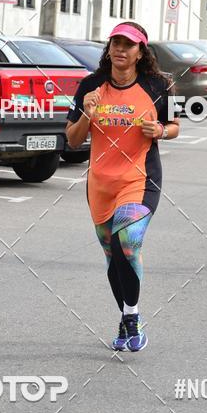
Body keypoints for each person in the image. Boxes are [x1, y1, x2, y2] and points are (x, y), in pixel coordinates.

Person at [65, 21, 180, 352]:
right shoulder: (91, 85)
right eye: (115, 43)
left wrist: (160, 131)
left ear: (140, 51)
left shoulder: (159, 86)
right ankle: (131, 315)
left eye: (127, 45)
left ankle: (130, 319)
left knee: (126, 241)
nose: (119, 49)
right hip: (100, 183)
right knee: (113, 255)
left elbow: (175, 127)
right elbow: (72, 141)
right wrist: (87, 114)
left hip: (140, 179)